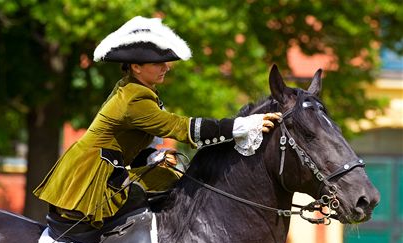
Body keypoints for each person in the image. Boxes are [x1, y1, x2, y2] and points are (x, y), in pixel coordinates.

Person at [33, 16, 281, 232]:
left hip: (102, 169)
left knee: (167, 174)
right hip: (91, 179)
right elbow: (181, 128)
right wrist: (242, 125)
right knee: (177, 183)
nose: (167, 68)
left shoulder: (134, 88)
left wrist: (152, 157)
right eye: (158, 63)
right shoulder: (135, 98)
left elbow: (130, 141)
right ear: (136, 67)